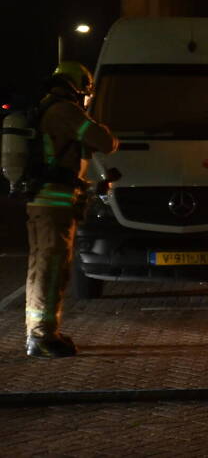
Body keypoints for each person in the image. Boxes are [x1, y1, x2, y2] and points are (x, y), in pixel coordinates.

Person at [24, 61, 118, 358]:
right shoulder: (65, 111)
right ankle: (42, 337)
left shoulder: (45, 108)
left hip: (43, 201)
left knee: (41, 268)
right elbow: (104, 142)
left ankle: (39, 332)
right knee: (52, 270)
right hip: (55, 205)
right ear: (79, 87)